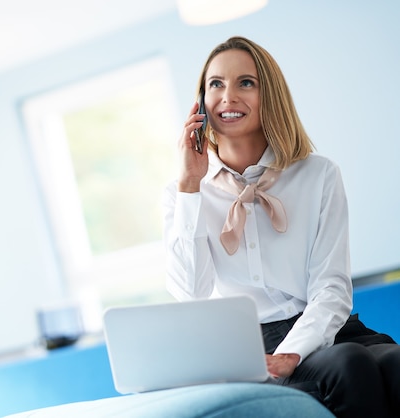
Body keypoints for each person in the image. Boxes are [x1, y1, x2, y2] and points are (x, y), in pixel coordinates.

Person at [163, 36, 400, 418]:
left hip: (327, 327)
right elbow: (191, 292)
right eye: (216, 84)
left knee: (394, 363)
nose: (228, 96)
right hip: (251, 346)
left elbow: (332, 286)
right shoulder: (184, 193)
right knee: (349, 367)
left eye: (246, 83)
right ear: (201, 104)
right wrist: (190, 187)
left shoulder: (319, 174)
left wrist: (296, 349)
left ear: (269, 95)